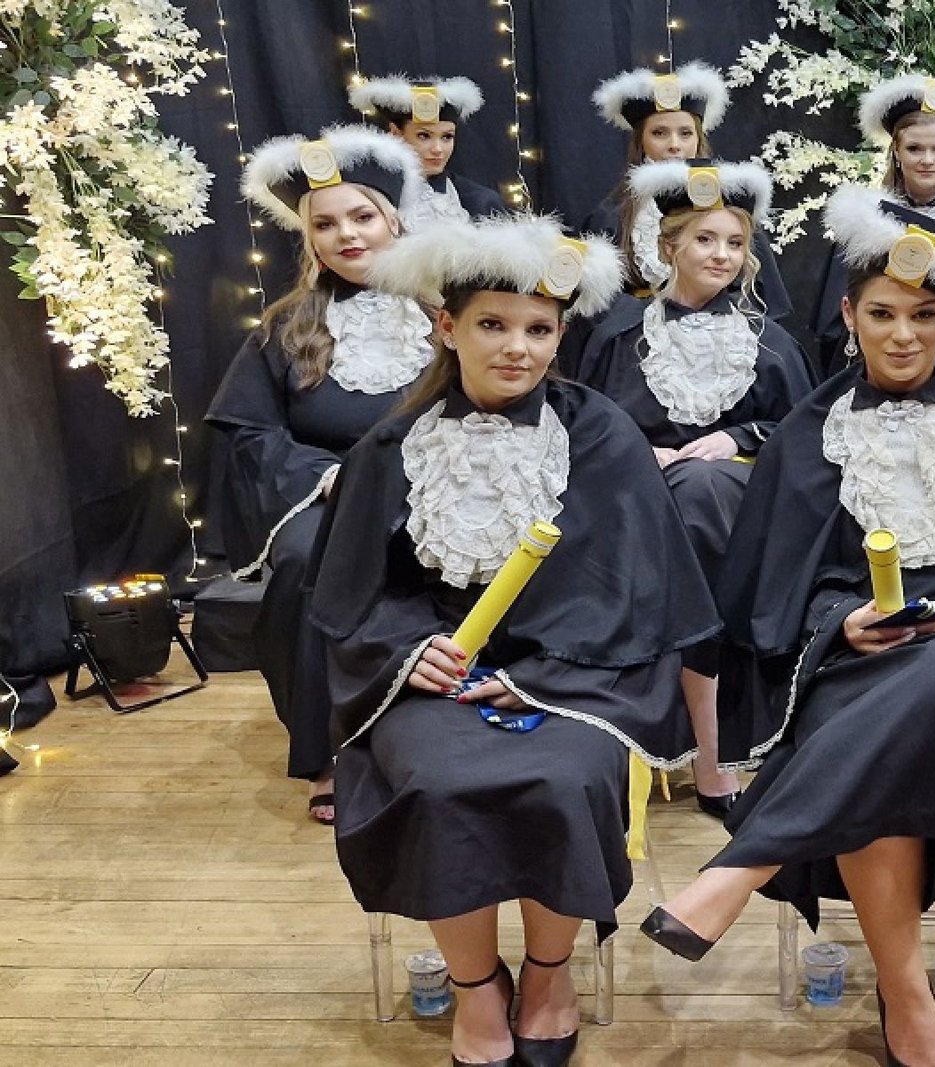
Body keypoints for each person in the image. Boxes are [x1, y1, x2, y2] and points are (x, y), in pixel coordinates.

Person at [639, 188, 935, 1067]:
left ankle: (742, 863)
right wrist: (838, 621)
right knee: (890, 737)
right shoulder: (806, 433)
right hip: (851, 659)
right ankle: (908, 998)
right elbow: (769, 591)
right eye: (882, 314)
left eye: (923, 315)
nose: (902, 335)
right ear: (850, 315)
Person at [307, 214, 720, 1067]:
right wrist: (407, 652)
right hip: (436, 672)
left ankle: (547, 971)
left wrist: (543, 673)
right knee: (436, 782)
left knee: (563, 778)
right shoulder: (393, 444)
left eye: (538, 329)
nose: (517, 348)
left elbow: (634, 587)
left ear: (560, 335)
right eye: (493, 325)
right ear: (446, 326)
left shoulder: (600, 432)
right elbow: (357, 593)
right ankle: (474, 985)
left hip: (581, 673)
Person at [571, 158, 813, 816]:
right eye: (705, 239)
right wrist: (638, 451)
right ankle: (689, 740)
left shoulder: (769, 342)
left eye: (734, 242)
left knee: (703, 487)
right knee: (683, 495)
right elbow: (584, 427)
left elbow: (805, 434)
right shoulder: (619, 334)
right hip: (637, 504)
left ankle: (710, 743)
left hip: (738, 508)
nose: (721, 254)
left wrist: (738, 438)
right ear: (669, 243)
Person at [208, 125, 431, 825]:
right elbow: (249, 433)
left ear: (393, 220)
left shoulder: (450, 311)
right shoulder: (287, 326)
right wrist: (327, 476)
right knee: (309, 557)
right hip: (324, 494)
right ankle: (327, 750)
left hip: (441, 487)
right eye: (326, 224)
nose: (347, 235)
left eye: (362, 216)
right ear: (309, 238)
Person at [586, 62, 791, 319]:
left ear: (698, 138)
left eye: (685, 133)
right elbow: (599, 306)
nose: (674, 145)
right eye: (659, 133)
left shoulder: (731, 203)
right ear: (641, 142)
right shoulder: (612, 215)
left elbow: (763, 297)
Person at [813, 73, 935, 378]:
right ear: (896, 151)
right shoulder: (866, 221)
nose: (927, 160)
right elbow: (833, 324)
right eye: (914, 148)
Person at [348, 75, 507, 227]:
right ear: (395, 134)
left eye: (447, 137)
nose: (437, 149)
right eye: (424, 136)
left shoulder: (481, 201)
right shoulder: (368, 198)